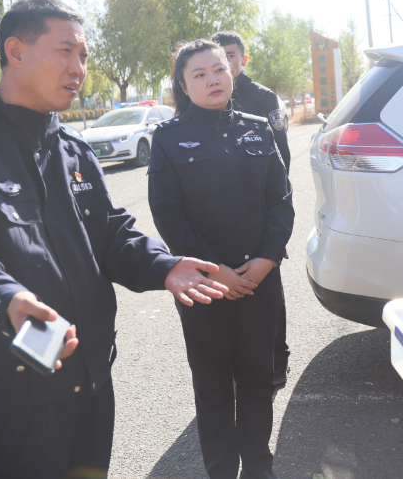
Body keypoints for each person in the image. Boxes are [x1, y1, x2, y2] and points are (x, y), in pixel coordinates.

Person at [0, 0, 228, 479]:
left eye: (83, 56)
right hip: (8, 396)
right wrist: (6, 299)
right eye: (64, 51)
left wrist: (164, 265)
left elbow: (111, 232)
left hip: (89, 382)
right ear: (16, 51)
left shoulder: (73, 149)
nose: (78, 68)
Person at [148, 39, 294, 479]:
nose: (212, 79)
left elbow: (281, 201)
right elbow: (168, 215)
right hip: (203, 285)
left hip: (260, 279)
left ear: (233, 74)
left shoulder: (256, 127)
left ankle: (258, 468)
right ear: (183, 85)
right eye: (199, 74)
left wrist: (269, 258)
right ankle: (220, 471)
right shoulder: (169, 139)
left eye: (219, 70)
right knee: (212, 387)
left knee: (258, 380)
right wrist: (217, 271)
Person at [212, 29, 293, 391]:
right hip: (221, 216)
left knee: (268, 292)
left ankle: (277, 360)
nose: (226, 62)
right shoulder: (206, 96)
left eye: (231, 55)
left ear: (243, 59)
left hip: (261, 211)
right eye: (220, 55)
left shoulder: (262, 98)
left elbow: (282, 155)